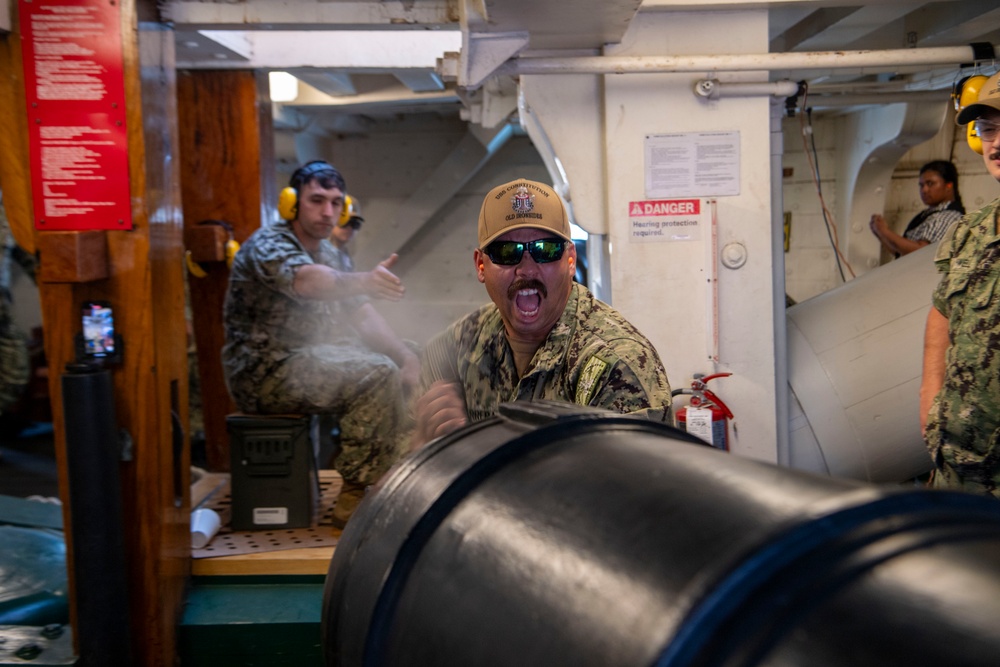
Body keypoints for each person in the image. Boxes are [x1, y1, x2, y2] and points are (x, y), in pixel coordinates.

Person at [222, 160, 419, 526]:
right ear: (292, 203)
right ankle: (357, 496)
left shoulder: (329, 251)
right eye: (316, 200)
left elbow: (361, 315)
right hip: (262, 370)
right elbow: (309, 282)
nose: (328, 211)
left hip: (308, 359)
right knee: (374, 373)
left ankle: (400, 471)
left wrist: (405, 354)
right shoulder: (269, 244)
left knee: (410, 355)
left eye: (335, 202)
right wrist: (363, 280)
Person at [411, 178, 673, 448]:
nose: (527, 269)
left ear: (570, 259)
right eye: (506, 252)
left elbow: (636, 486)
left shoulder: (616, 364)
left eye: (545, 250)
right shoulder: (457, 347)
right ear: (480, 265)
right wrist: (427, 442)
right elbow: (406, 459)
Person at [920, 71, 1000, 497]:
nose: (996, 143)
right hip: (961, 469)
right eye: (987, 129)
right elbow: (941, 314)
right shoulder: (972, 231)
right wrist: (930, 400)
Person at [870, 160, 965, 257]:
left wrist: (885, 231)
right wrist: (880, 232)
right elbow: (900, 253)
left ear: (949, 185)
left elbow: (921, 253)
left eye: (930, 184)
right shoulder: (927, 214)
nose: (924, 190)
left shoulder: (948, 217)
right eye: (921, 185)